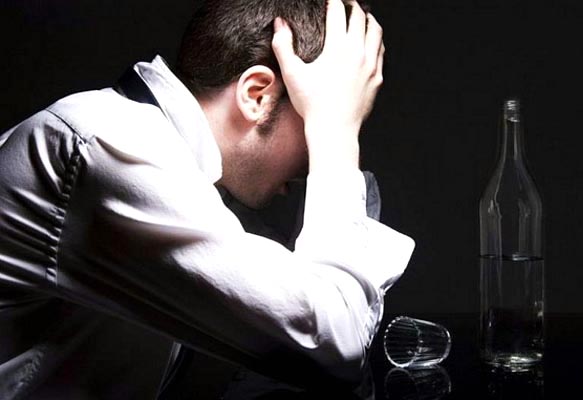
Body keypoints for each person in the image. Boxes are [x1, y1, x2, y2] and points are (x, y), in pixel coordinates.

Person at [0, 0, 415, 398]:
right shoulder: (106, 147)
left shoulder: (169, 168)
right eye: (311, 123)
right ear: (257, 94)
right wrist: (334, 131)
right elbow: (335, 345)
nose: (304, 173)